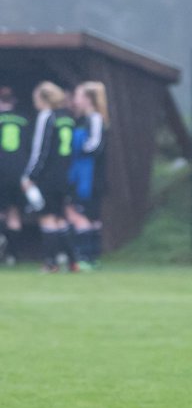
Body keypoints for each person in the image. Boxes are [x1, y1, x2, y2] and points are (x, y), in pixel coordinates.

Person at [21, 82, 77, 272]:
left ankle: (50, 263)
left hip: (48, 176)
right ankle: (73, 261)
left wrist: (29, 176)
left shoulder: (47, 116)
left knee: (46, 218)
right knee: (61, 218)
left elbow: (40, 151)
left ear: (44, 98)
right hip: (65, 175)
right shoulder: (67, 118)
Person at [64, 81, 108, 268]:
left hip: (89, 178)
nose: (75, 100)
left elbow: (94, 146)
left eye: (78, 96)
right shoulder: (80, 119)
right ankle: (88, 257)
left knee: (84, 215)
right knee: (88, 216)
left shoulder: (95, 118)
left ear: (88, 99)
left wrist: (75, 149)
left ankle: (86, 257)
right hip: (82, 176)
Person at [0, 87, 30, 266]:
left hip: (1, 171)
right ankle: (13, 255)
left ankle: (3, 245)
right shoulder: (24, 120)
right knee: (14, 213)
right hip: (20, 173)